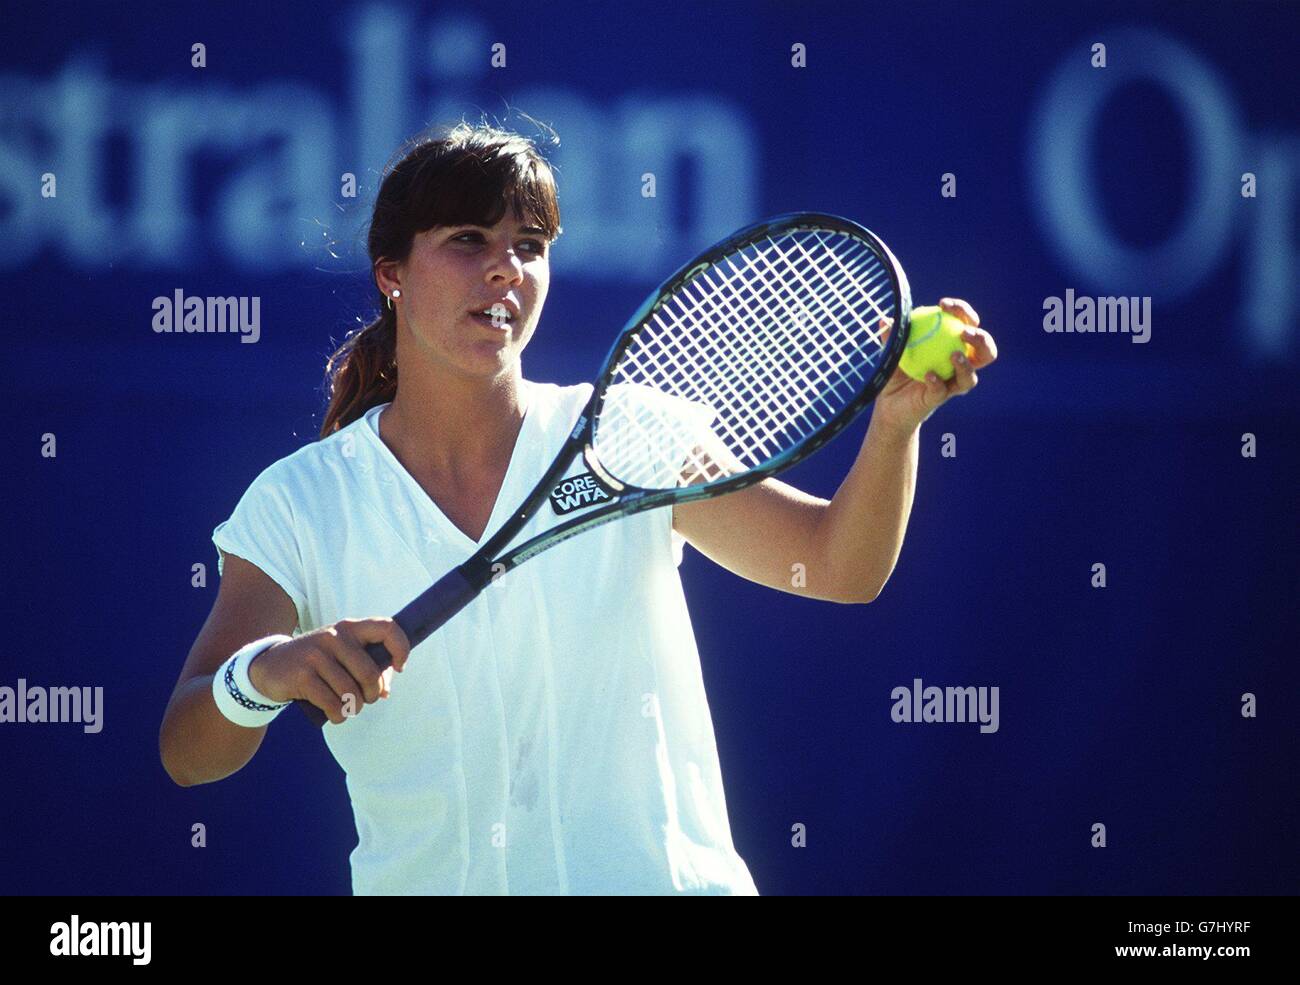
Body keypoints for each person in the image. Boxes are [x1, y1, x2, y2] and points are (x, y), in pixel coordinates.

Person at [159, 121, 998, 895]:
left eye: (530, 246)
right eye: (467, 241)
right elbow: (188, 750)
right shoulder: (299, 501)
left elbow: (839, 567)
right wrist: (262, 673)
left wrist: (893, 429)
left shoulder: (633, 433)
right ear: (392, 276)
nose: (505, 270)